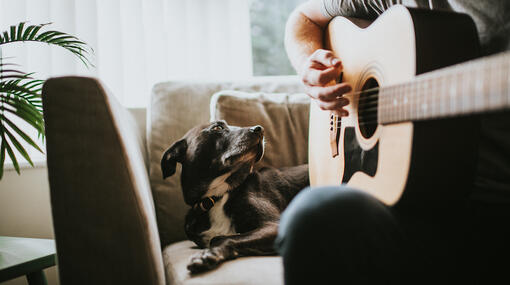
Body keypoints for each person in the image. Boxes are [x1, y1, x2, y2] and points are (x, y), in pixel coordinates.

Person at [275, 1, 510, 284]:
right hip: (414, 208)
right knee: (312, 216)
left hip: (494, 206)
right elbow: (304, 18)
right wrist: (309, 66)